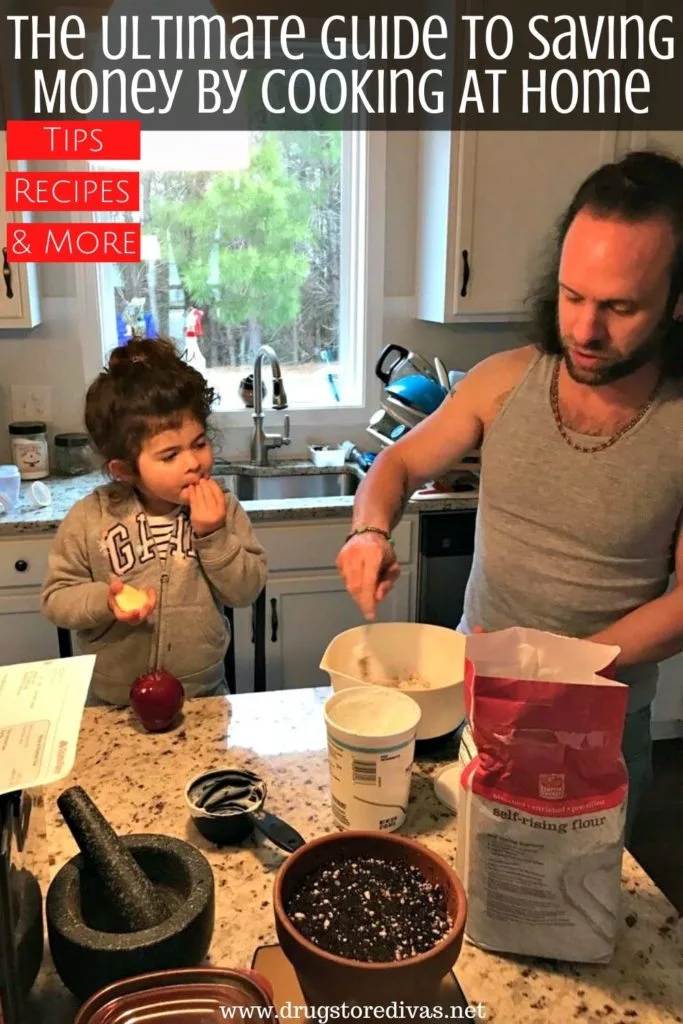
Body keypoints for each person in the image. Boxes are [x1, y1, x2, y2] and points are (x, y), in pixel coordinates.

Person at [337, 149, 683, 842]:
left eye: (618, 306)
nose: (584, 330)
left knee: (576, 923)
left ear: (675, 301)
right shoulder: (502, 381)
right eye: (571, 295)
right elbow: (397, 464)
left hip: (599, 730)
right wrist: (367, 533)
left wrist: (557, 666)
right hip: (477, 707)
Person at [42, 338, 267, 706]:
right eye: (170, 455)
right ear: (125, 469)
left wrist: (213, 535)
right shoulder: (90, 519)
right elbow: (56, 598)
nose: (193, 462)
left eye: (198, 443)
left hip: (203, 697)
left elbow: (246, 592)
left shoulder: (222, 509)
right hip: (113, 702)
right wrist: (104, 601)